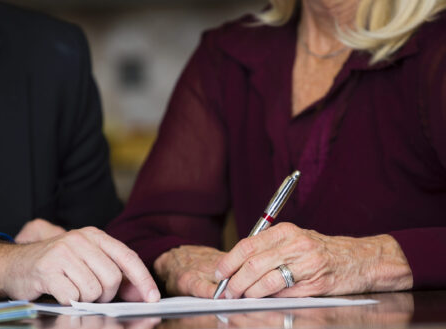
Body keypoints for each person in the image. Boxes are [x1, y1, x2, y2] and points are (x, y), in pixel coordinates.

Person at [107, 0, 446, 299]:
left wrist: (371, 260)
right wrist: (177, 260)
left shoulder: (436, 47)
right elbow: (146, 232)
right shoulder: (228, 53)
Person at [0, 0, 160, 305]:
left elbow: (105, 239)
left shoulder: (51, 55)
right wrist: (0, 264)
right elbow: (14, 265)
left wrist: (78, 256)